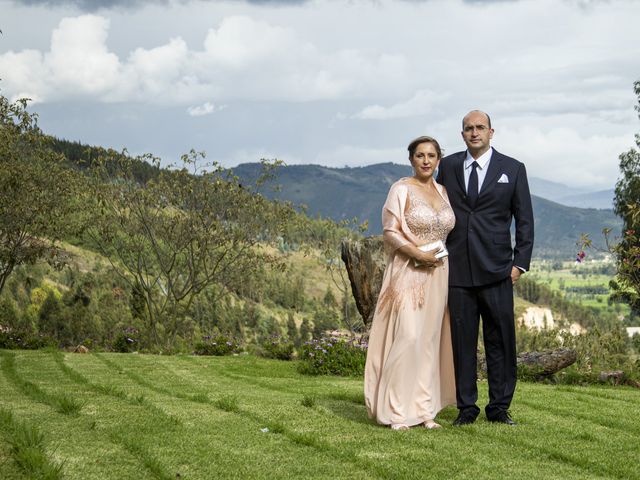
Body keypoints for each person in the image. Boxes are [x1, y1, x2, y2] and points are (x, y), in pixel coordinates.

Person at [436, 110, 534, 426]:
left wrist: (519, 264)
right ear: (462, 134)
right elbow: (437, 212)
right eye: (468, 128)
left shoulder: (513, 169)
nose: (474, 132)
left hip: (498, 270)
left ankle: (499, 407)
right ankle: (466, 408)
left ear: (492, 132)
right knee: (462, 342)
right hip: (458, 271)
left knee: (501, 341)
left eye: (480, 127)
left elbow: (525, 220)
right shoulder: (448, 167)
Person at [364, 136, 456, 431]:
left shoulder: (443, 192)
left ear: (438, 160)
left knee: (429, 340)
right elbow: (390, 232)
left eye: (431, 155)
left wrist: (434, 257)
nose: (426, 160)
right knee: (408, 336)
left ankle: (424, 409)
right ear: (411, 160)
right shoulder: (401, 189)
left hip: (439, 274)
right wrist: (417, 254)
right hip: (408, 270)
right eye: (420, 155)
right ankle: (396, 411)